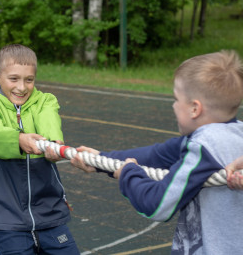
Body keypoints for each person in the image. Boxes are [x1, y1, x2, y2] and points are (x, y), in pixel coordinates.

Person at [46, 50, 243, 254]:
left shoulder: (204, 147)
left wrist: (128, 174)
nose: (174, 106)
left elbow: (157, 204)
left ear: (195, 108)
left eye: (176, 99)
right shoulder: (234, 135)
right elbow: (158, 155)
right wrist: (101, 160)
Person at [0, 44, 79, 255]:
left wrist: (54, 143)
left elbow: (48, 118)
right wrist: (18, 139)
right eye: (13, 79)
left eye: (29, 80)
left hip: (49, 209)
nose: (22, 87)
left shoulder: (44, 100)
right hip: (6, 214)